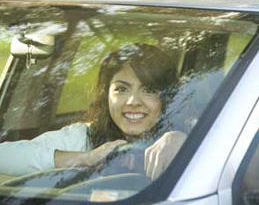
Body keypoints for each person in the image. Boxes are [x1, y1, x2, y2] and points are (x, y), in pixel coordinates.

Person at [0, 43, 186, 180]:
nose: (133, 102)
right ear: (106, 95)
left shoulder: (186, 136)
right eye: (121, 89)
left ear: (167, 97)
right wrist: (84, 158)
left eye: (149, 90)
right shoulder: (83, 137)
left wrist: (184, 143)